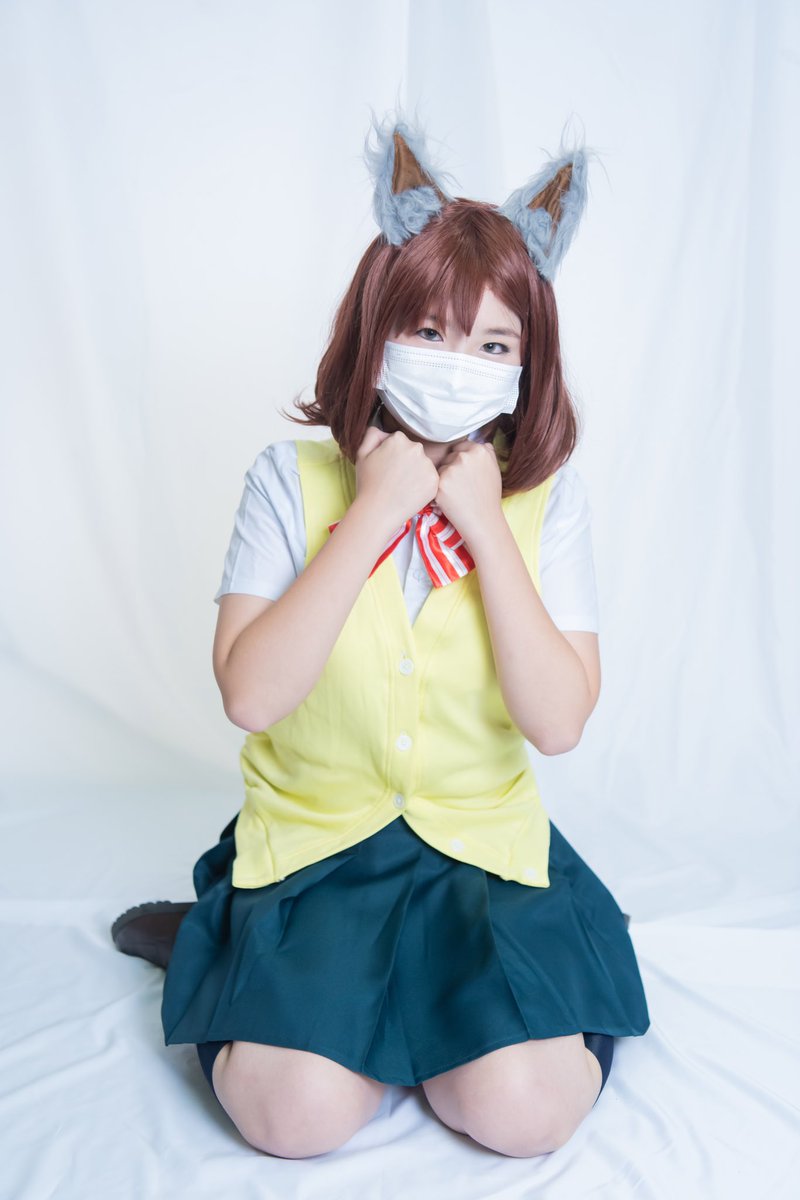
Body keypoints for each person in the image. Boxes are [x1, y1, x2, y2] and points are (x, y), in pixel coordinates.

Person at [112, 113, 650, 1160]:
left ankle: (455, 1021)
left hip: (479, 856)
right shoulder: (288, 481)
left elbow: (557, 723)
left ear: (528, 362)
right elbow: (250, 696)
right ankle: (222, 945)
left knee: (524, 1116)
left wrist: (485, 526)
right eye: (430, 332)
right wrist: (371, 516)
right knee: (294, 1120)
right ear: (377, 327)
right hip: (315, 848)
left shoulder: (551, 506)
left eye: (493, 344)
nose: (459, 363)